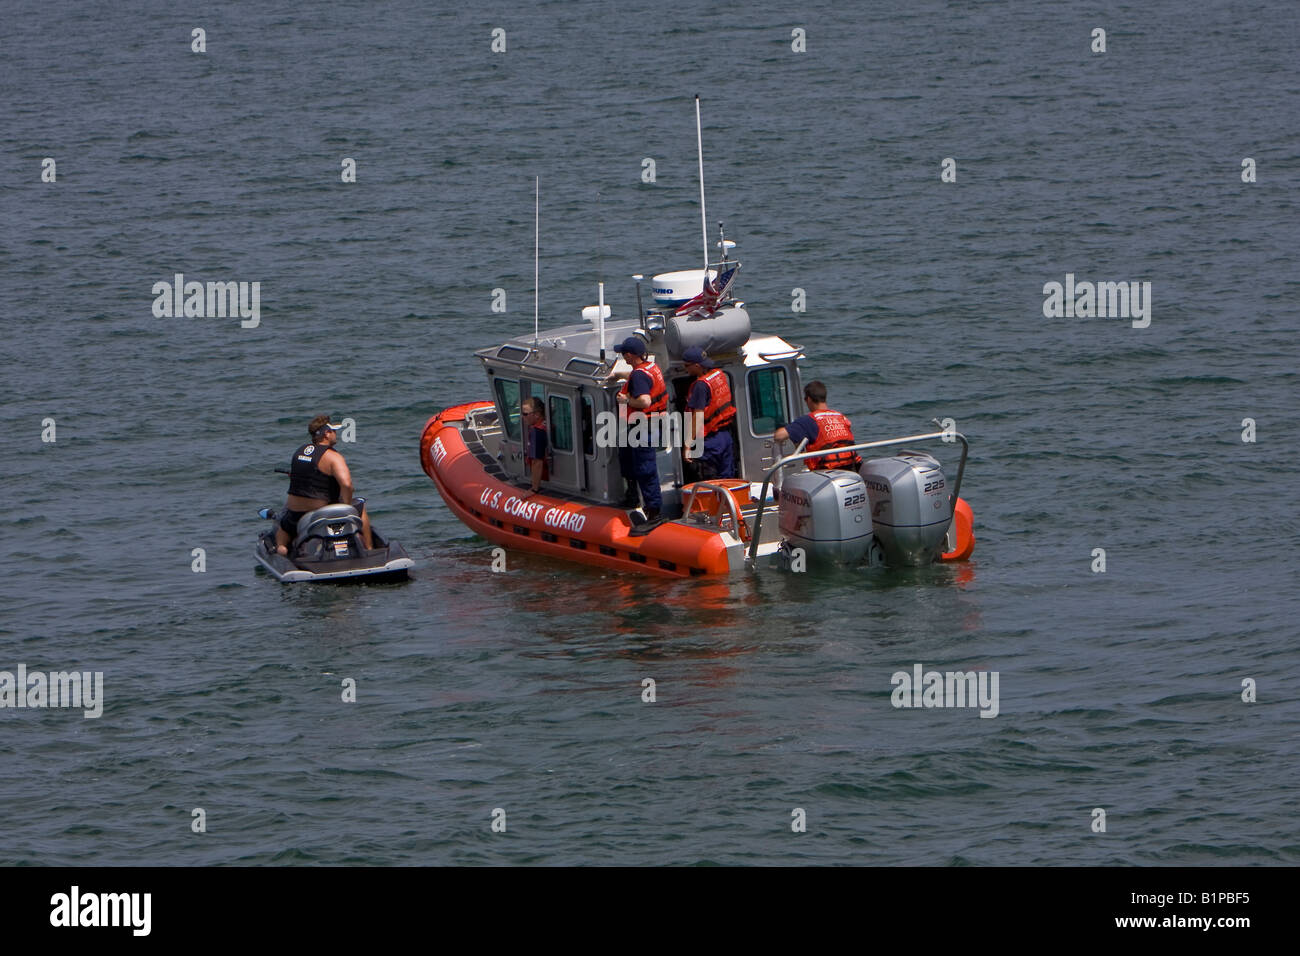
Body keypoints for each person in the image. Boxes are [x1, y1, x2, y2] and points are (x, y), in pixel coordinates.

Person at [275, 415, 375, 555]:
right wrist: (346, 509)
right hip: (319, 514)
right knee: (361, 507)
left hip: (295, 515)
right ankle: (369, 550)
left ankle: (282, 547)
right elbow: (347, 485)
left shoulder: (299, 451)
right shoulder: (333, 457)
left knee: (283, 525)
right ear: (326, 433)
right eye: (334, 430)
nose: (336, 434)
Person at [610, 336, 666, 520]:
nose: (623, 358)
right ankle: (632, 495)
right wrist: (619, 375)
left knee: (645, 468)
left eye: (623, 354)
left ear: (628, 356)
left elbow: (644, 400)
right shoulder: (650, 367)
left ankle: (653, 511)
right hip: (641, 426)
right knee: (627, 459)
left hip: (644, 428)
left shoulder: (640, 374)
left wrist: (626, 400)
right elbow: (638, 377)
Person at [773, 381, 863, 471]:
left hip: (826, 473)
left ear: (808, 399)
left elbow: (779, 436)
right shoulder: (840, 417)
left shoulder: (808, 420)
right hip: (852, 469)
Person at [682, 345, 736, 479]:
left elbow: (698, 417)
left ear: (697, 366)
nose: (685, 368)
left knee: (709, 480)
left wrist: (687, 445)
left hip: (711, 441)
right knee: (727, 478)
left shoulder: (701, 385)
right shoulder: (719, 375)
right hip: (725, 436)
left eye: (687, 365)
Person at [521, 396, 549, 497]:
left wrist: (534, 489)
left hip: (547, 477)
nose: (523, 417)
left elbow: (537, 462)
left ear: (537, 414)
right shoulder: (547, 424)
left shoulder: (537, 432)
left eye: (525, 414)